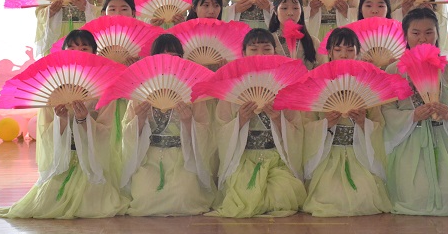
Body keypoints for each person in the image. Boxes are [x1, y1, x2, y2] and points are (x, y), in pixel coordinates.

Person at [0, 30, 129, 219]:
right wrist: (61, 120)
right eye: (71, 48)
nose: (78, 52)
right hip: (62, 160)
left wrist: (84, 120)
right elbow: (45, 132)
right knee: (47, 201)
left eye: (84, 48)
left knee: (92, 203)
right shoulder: (52, 89)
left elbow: (106, 131)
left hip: (91, 161)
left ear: (94, 52)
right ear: (63, 52)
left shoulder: (103, 88)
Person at [382, 8, 448, 216]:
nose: (422, 38)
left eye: (429, 32)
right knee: (416, 197)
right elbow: (387, 109)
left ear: (437, 34)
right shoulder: (394, 70)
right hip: (410, 144)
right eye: (415, 33)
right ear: (405, 36)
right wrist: (413, 116)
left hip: (444, 143)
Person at [207, 28, 306, 217]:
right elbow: (220, 128)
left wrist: (278, 119)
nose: (260, 54)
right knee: (242, 193)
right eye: (254, 49)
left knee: (284, 193)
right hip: (243, 158)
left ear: (275, 52)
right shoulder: (232, 87)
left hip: (276, 158)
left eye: (266, 49)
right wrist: (241, 120)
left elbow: (296, 128)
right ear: (243, 53)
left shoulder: (286, 86)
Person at [121, 34, 214, 216]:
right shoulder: (141, 91)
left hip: (183, 157)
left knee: (183, 197)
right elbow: (127, 133)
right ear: (153, 60)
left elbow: (206, 132)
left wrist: (188, 122)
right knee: (145, 199)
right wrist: (139, 119)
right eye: (162, 56)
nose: (169, 61)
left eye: (174, 56)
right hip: (149, 157)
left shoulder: (193, 91)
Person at [301, 27, 391, 217]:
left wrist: (363, 123)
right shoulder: (316, 80)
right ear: (329, 52)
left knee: (365, 195)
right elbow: (306, 124)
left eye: (350, 50)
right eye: (338, 49)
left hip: (358, 153)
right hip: (328, 154)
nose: (344, 54)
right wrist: (325, 124)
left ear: (358, 53)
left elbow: (379, 123)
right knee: (327, 197)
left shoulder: (367, 82)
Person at [269, 0, 326, 70]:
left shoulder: (314, 43)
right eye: (284, 8)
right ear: (275, 10)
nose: (290, 13)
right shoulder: (268, 42)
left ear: (301, 10)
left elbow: (322, 72)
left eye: (295, 8)